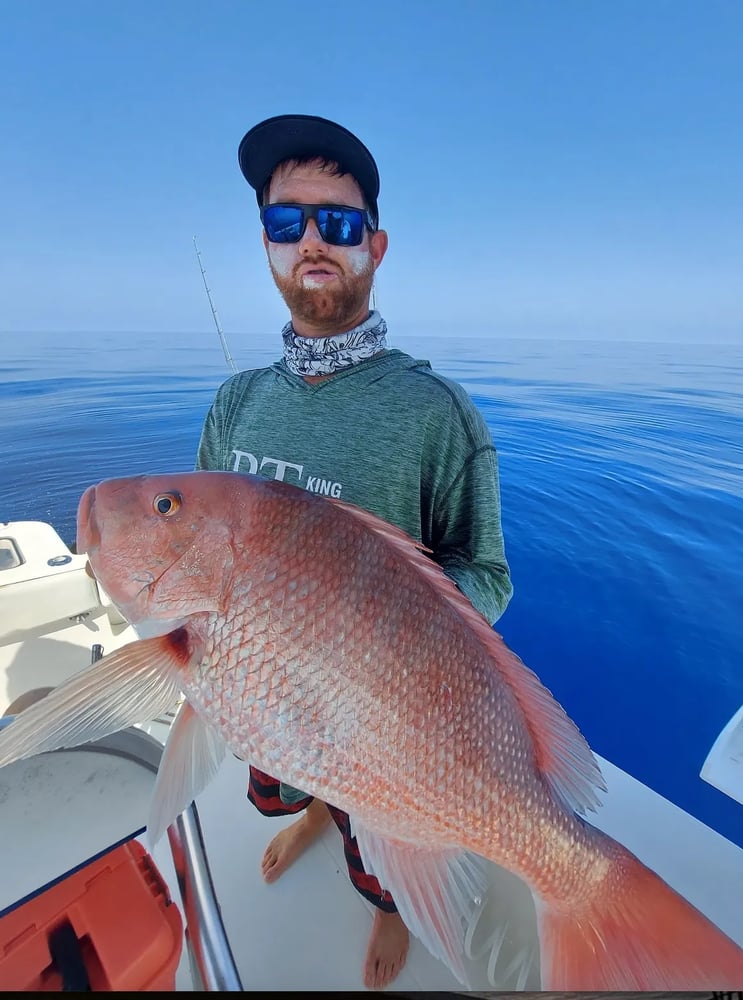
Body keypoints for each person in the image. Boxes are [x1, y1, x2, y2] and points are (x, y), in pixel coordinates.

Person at [195, 113, 513, 990]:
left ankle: (382, 905)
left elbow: (485, 574)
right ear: (264, 242)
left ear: (373, 243)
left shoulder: (435, 414)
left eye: (335, 222)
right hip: (266, 688)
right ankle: (307, 810)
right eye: (283, 220)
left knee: (380, 848)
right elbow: (201, 549)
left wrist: (387, 636)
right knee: (279, 789)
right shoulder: (235, 402)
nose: (310, 241)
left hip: (382, 710)